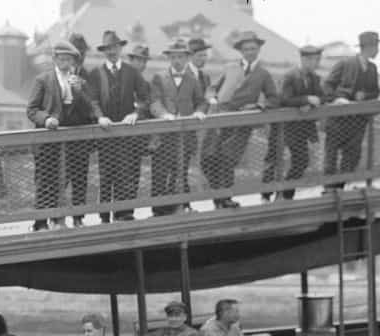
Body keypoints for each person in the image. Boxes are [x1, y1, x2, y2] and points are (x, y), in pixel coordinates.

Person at [201, 33, 278, 210]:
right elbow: (213, 89)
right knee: (208, 158)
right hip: (221, 119)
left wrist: (258, 106)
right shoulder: (231, 68)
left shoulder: (263, 74)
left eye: (253, 49)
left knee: (228, 158)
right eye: (246, 49)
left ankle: (226, 198)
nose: (249, 52)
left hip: (242, 123)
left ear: (258, 50)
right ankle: (218, 197)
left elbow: (274, 98)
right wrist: (212, 99)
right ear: (240, 51)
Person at [28, 41, 96, 231]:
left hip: (76, 140)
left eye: (69, 59)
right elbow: (32, 110)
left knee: (79, 179)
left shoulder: (81, 82)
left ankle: (77, 218)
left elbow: (90, 112)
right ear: (55, 59)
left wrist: (80, 92)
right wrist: (46, 119)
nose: (65, 62)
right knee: (47, 180)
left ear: (74, 61)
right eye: (62, 58)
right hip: (50, 139)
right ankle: (42, 222)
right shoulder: (43, 80)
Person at [87, 31, 149, 223]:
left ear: (120, 48)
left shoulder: (132, 72)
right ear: (104, 51)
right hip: (106, 132)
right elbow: (92, 100)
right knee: (106, 174)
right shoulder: (96, 73)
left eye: (114, 48)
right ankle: (105, 215)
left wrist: (135, 113)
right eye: (107, 49)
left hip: (127, 133)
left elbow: (145, 97)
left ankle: (124, 213)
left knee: (127, 171)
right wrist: (99, 117)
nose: (111, 52)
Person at [149, 39, 207, 216]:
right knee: (160, 173)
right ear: (169, 58)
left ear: (187, 58)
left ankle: (180, 207)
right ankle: (158, 211)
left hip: (185, 136)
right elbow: (154, 102)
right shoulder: (159, 77)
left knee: (180, 172)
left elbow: (201, 102)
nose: (177, 61)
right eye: (173, 57)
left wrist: (199, 112)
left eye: (181, 57)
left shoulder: (192, 79)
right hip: (164, 136)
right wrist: (163, 114)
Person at [323, 31, 380, 190]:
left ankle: (338, 188)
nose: (378, 50)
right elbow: (327, 86)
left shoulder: (372, 68)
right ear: (369, 47)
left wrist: (364, 96)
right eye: (376, 46)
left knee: (352, 158)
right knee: (331, 157)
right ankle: (329, 190)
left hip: (358, 122)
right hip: (338, 120)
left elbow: (376, 92)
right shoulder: (345, 64)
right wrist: (337, 99)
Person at [266, 45, 325, 201]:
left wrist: (311, 103)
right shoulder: (290, 76)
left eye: (317, 60)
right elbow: (283, 99)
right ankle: (265, 195)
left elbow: (322, 97)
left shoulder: (315, 78)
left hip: (301, 129)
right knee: (273, 160)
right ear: (304, 59)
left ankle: (286, 193)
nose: (315, 63)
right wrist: (305, 100)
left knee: (301, 160)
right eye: (313, 60)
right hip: (283, 126)